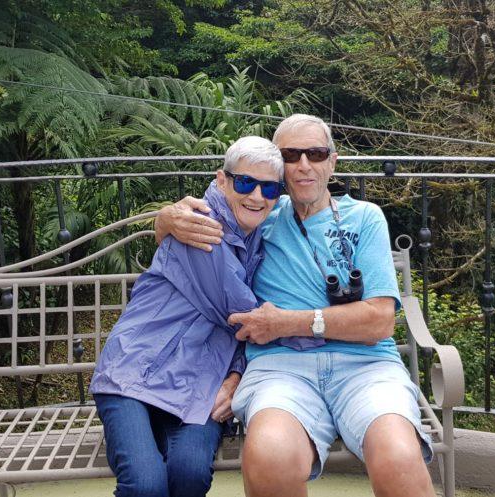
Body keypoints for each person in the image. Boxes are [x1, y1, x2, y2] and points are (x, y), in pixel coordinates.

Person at [156, 114, 435, 497]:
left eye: (316, 153)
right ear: (278, 166)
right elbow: (197, 240)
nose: (304, 164)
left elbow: (379, 322)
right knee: (269, 456)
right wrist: (163, 219)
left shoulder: (365, 218)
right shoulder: (257, 218)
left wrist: (287, 323)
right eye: (291, 155)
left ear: (332, 162)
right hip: (281, 369)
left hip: (366, 367)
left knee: (399, 457)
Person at [90, 136, 285, 497]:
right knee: (145, 486)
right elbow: (246, 318)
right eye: (245, 182)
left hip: (201, 380)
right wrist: (319, 325)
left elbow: (313, 202)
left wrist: (238, 374)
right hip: (135, 372)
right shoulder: (199, 226)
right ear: (222, 179)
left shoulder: (258, 231)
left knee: (190, 473)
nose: (258, 196)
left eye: (270, 187)